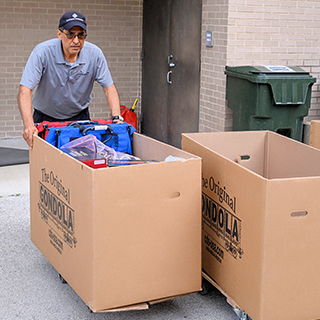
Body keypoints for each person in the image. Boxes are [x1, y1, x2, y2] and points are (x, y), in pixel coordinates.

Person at [18, 11, 124, 149]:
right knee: (47, 166)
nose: (76, 40)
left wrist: (116, 118)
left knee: (81, 163)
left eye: (81, 35)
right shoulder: (42, 52)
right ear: (59, 34)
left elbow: (109, 88)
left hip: (79, 118)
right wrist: (29, 125)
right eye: (70, 34)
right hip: (45, 118)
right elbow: (24, 90)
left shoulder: (95, 54)